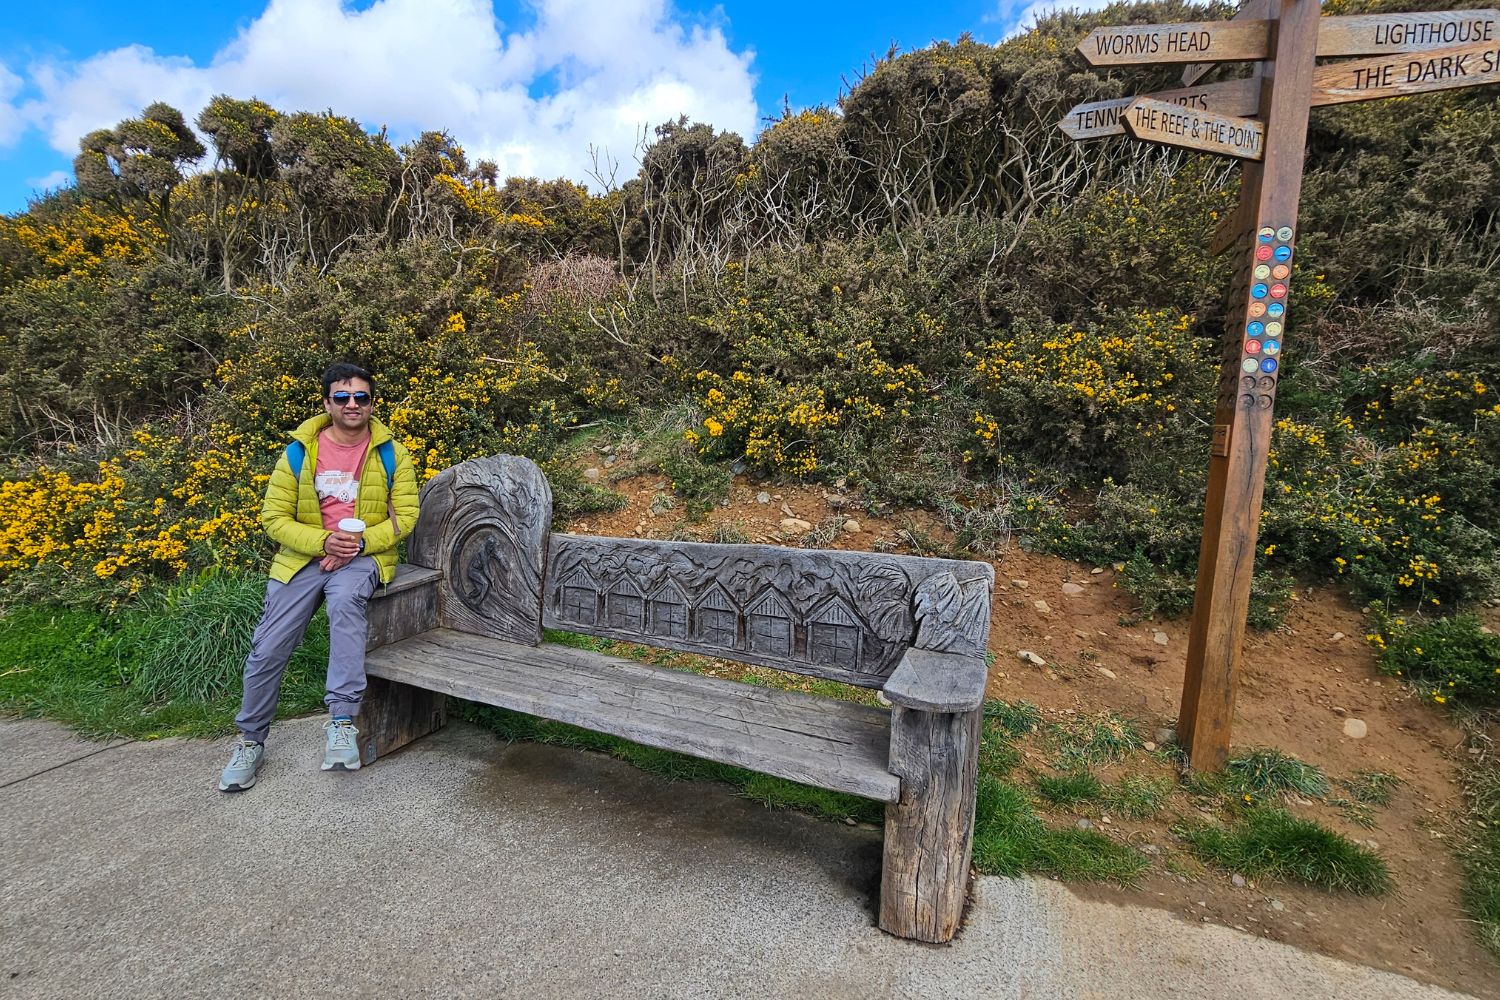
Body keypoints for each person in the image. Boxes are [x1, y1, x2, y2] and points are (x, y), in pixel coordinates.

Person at [219, 362, 420, 792]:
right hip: (302, 558)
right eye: (343, 397)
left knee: (346, 606)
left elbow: (406, 517)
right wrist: (324, 543)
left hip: (364, 556)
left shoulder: (391, 453)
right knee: (269, 646)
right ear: (327, 402)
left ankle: (342, 721)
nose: (352, 405)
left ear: (371, 403)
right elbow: (273, 518)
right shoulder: (298, 452)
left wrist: (358, 546)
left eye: (361, 397)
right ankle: (251, 740)